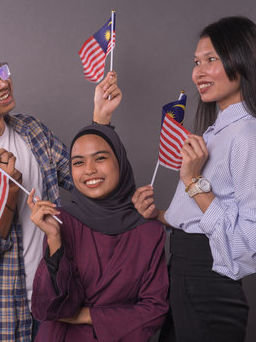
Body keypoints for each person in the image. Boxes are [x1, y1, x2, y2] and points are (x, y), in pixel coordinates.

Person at [0, 37, 121, 342]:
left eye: (0, 71)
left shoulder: (32, 130)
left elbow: (88, 184)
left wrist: (101, 119)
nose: (2, 84)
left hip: (57, 307)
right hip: (0, 321)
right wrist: (7, 194)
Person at [132, 16, 256, 341]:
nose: (198, 72)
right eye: (196, 62)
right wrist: (159, 216)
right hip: (180, 274)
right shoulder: (216, 133)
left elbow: (252, 245)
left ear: (241, 61)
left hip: (209, 285)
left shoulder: (248, 135)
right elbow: (200, 219)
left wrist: (193, 181)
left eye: (211, 59)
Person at [27, 124, 169, 341]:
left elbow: (154, 312)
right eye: (78, 162)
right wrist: (54, 239)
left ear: (120, 162)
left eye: (100, 158)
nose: (89, 170)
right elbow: (51, 307)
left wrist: (87, 315)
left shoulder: (149, 231)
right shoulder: (59, 221)